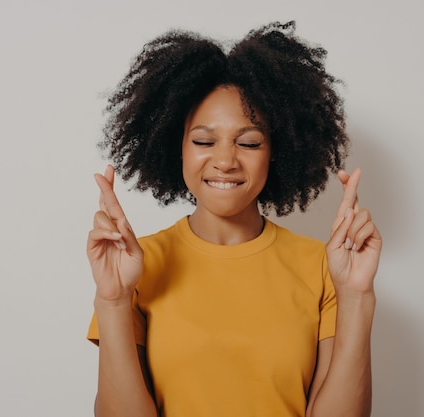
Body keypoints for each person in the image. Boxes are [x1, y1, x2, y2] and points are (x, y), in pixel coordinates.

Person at [86, 21, 382, 417]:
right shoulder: (134, 266)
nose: (225, 161)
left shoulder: (324, 268)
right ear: (177, 147)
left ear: (276, 150)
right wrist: (114, 300)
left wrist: (357, 296)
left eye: (249, 142)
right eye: (204, 141)